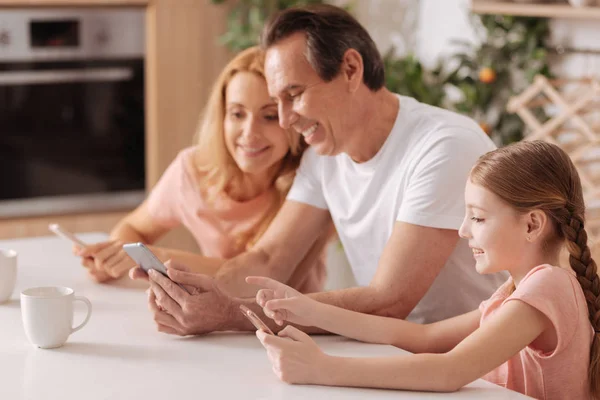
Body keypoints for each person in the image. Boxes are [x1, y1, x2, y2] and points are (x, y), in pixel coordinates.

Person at [135, 4, 505, 336]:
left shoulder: (444, 146)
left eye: (293, 95)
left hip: (475, 365)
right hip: (387, 350)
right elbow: (269, 259)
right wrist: (196, 291)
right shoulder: (324, 155)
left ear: (350, 69)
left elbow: (389, 301)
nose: (284, 119)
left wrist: (230, 314)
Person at [248, 140, 600, 400]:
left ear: (532, 225)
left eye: (477, 217)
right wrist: (308, 309)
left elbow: (450, 371)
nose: (463, 230)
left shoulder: (547, 286)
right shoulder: (515, 291)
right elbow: (423, 338)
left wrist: (322, 368)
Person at [76, 46, 329, 296]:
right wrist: (115, 257)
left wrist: (159, 257)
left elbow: (262, 276)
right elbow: (133, 227)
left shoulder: (314, 177)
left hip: (293, 327)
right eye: (237, 114)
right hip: (215, 322)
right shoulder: (193, 170)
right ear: (222, 117)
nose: (249, 133)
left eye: (269, 116)